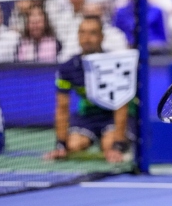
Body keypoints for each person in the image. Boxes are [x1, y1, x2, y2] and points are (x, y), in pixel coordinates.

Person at [44, 15, 131, 163]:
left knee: (108, 146)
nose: (87, 38)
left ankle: (120, 141)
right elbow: (62, 108)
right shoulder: (68, 68)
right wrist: (61, 145)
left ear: (102, 37)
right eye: (82, 33)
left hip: (110, 116)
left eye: (92, 33)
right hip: (87, 117)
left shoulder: (115, 64)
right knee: (73, 145)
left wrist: (118, 145)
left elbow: (121, 106)